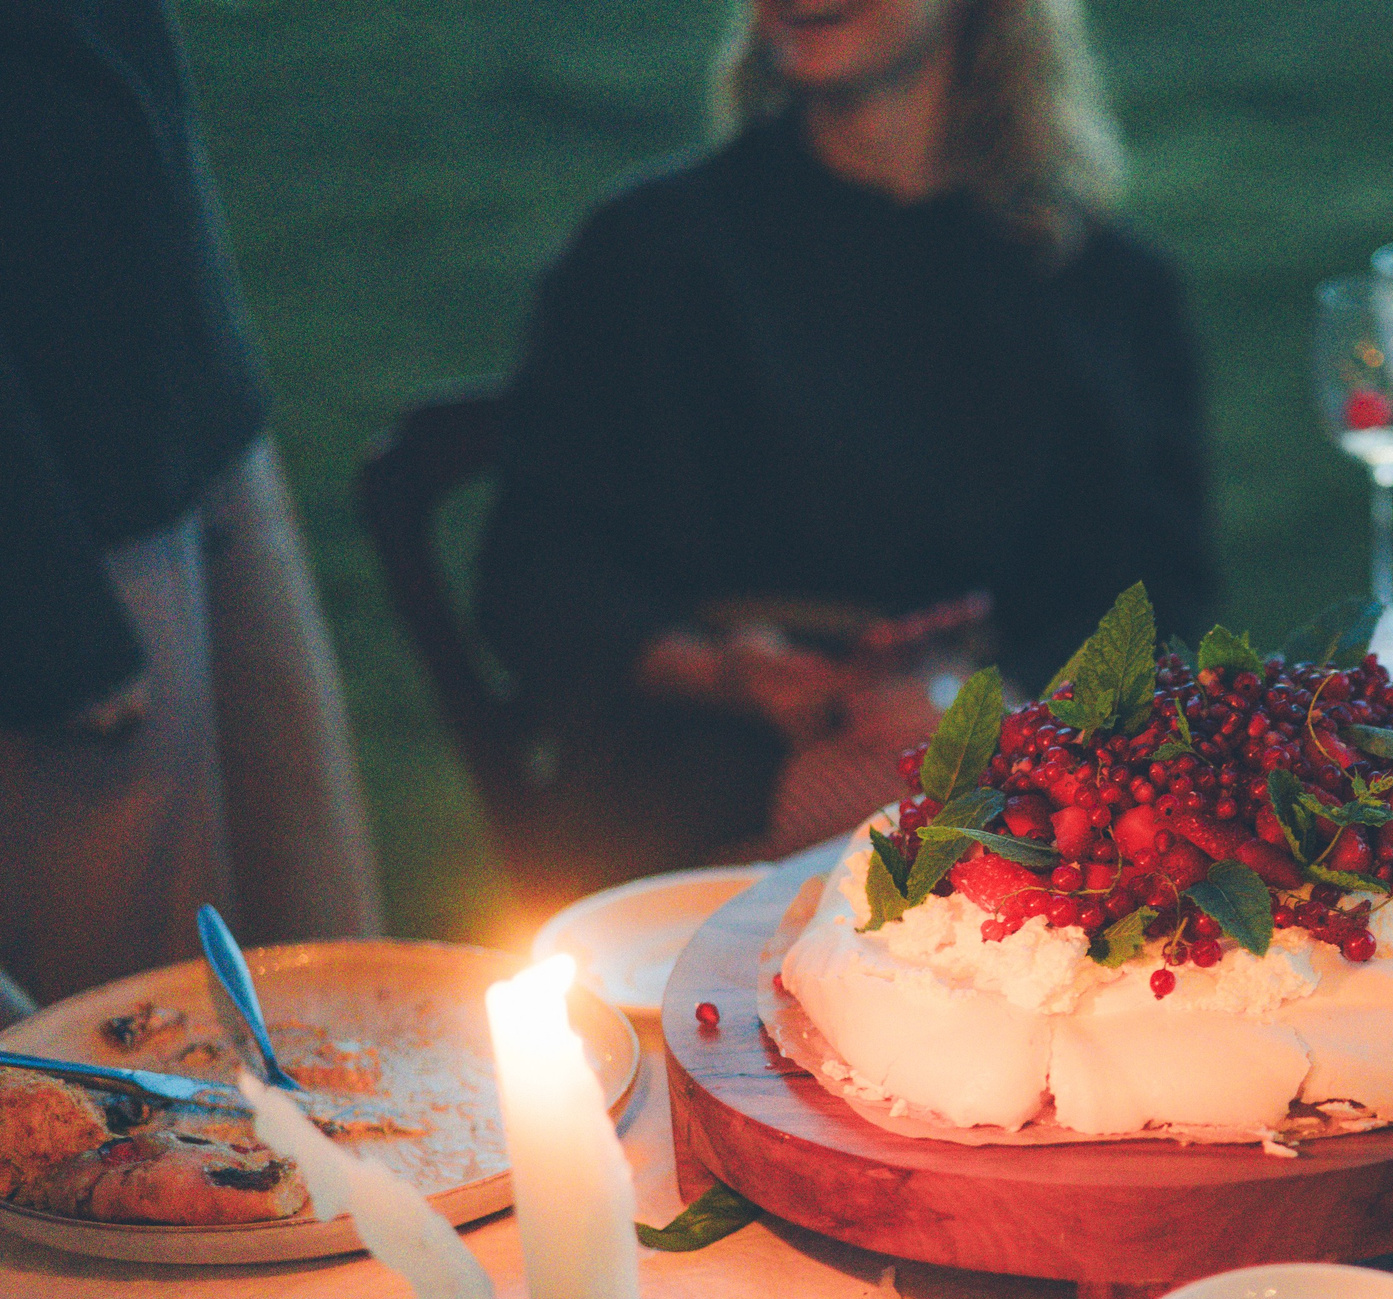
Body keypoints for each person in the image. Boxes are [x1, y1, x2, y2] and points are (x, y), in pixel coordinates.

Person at [475, 0, 1216, 895]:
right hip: (705, 798)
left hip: (1018, 804)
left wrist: (977, 705)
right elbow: (534, 567)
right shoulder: (653, 252)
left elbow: (1163, 599)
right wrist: (728, 671)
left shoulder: (1104, 290)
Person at [0, 0, 383, 1004]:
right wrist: (36, 590)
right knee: (145, 1019)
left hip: (187, 412)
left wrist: (221, 425)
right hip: (65, 500)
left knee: (326, 971)